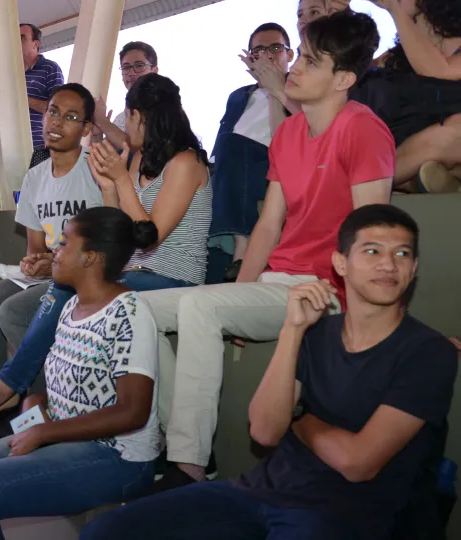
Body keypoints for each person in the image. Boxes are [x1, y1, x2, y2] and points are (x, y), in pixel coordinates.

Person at [82, 204, 457, 540]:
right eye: (372, 251)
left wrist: (301, 421)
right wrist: (292, 330)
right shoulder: (316, 332)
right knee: (107, 530)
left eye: (402, 254)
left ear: (414, 269)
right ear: (341, 264)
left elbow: (357, 463)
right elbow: (263, 430)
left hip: (346, 513)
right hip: (261, 490)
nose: (388, 264)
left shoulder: (428, 353)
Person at [137, 11, 394, 493]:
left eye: (311, 61)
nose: (293, 66)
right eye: (300, 54)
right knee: (135, 308)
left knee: (197, 305)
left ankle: (189, 463)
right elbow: (268, 226)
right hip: (278, 285)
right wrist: (241, 293)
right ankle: (181, 439)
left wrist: (365, 327)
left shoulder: (364, 130)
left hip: (325, 291)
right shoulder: (289, 135)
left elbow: (372, 235)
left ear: (343, 79)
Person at [0, 74, 213, 423]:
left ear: (141, 116)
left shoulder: (186, 163)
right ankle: (34, 398)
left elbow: (151, 236)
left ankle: (13, 388)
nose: (125, 126)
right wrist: (111, 185)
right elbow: (119, 225)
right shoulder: (137, 161)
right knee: (62, 287)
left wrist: (120, 178)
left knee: (71, 290)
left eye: (128, 117)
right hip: (130, 273)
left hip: (171, 276)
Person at [0, 207, 162, 539]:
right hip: (66, 436)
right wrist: (36, 405)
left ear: (90, 257)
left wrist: (45, 434)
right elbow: (67, 387)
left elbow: (133, 412)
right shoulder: (70, 306)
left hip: (117, 456)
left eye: (66, 242)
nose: (55, 247)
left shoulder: (130, 314)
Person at [0, 83, 103, 400]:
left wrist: (51, 265)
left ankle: (44, 402)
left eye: (70, 116)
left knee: (13, 312)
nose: (56, 122)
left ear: (86, 128)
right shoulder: (35, 177)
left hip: (84, 277)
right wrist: (32, 263)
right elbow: (35, 251)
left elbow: (106, 245)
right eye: (53, 111)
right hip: (51, 274)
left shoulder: (96, 170)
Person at [211, 23, 295, 275]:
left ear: (290, 55)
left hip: (274, 163)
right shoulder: (238, 95)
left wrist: (274, 89)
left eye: (276, 48)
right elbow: (222, 139)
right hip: (232, 163)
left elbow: (285, 140)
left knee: (235, 145)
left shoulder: (298, 88)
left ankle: (243, 246)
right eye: (258, 50)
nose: (267, 55)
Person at [352, 0, 461, 192]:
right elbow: (348, 77)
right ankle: (419, 179)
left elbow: (439, 70)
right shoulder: (395, 54)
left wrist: (395, 10)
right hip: (404, 144)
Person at [92, 41, 159, 147]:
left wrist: (101, 121)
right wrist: (97, 133)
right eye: (126, 67)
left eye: (139, 65)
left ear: (154, 71)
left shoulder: (165, 109)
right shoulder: (120, 119)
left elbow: (141, 152)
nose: (131, 73)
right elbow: (101, 161)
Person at [21, 23, 65, 148]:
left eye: (22, 37)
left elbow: (58, 109)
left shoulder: (50, 68)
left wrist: (23, 99)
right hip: (11, 150)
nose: (16, 42)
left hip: (40, 148)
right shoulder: (10, 73)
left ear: (36, 44)